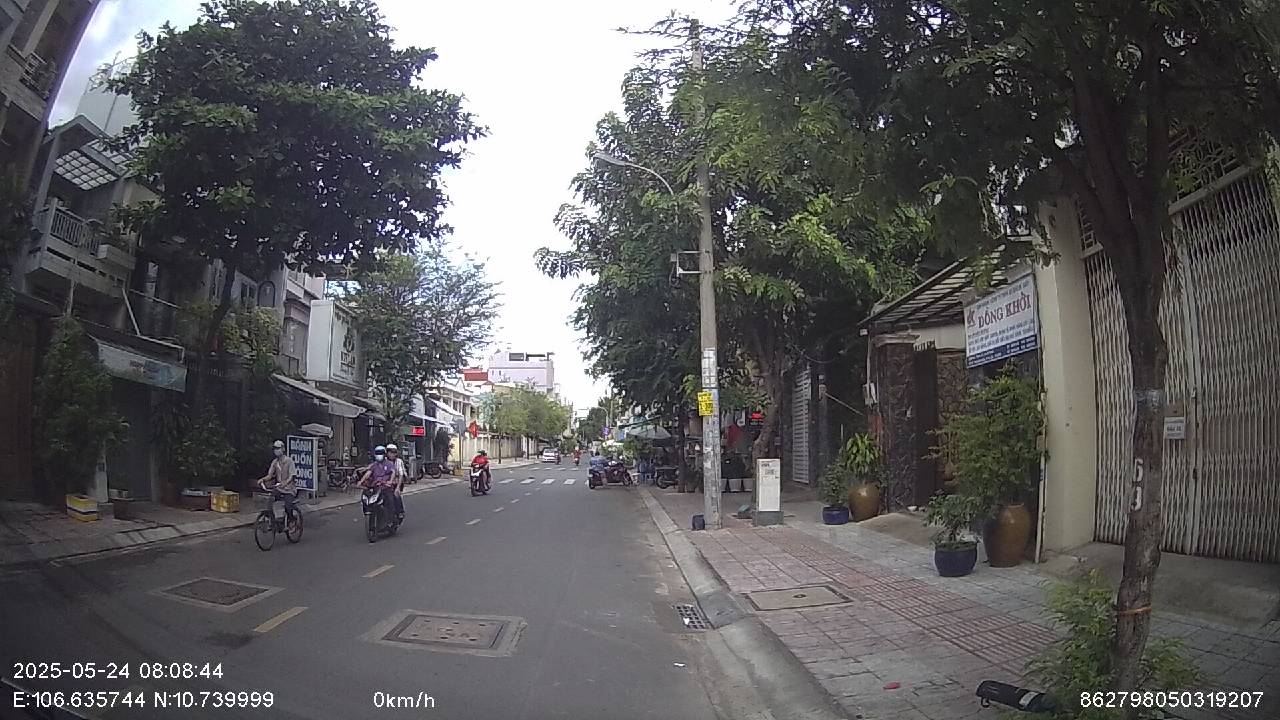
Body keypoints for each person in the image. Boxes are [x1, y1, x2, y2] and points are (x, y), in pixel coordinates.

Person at [258, 440, 299, 522]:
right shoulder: (275, 462)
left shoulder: (289, 461)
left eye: (278, 448)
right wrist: (262, 479)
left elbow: (292, 475)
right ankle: (272, 520)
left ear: (283, 449)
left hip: (289, 490)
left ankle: (291, 520)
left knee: (288, 506)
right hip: (279, 488)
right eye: (275, 448)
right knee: (269, 500)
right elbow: (270, 475)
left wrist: (286, 482)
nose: (276, 450)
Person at [360, 445, 400, 521]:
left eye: (380, 453)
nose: (379, 455)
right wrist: (361, 481)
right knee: (367, 499)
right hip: (376, 487)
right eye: (377, 453)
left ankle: (391, 519)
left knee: (390, 501)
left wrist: (390, 481)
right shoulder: (374, 465)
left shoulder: (389, 464)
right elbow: (368, 474)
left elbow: (393, 472)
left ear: (384, 454)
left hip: (386, 487)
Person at [385, 443, 407, 520]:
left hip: (398, 481)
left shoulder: (399, 461)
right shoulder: (384, 461)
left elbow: (401, 475)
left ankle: (400, 511)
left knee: (396, 494)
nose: (392, 454)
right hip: (386, 482)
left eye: (394, 452)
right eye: (390, 452)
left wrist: (397, 487)